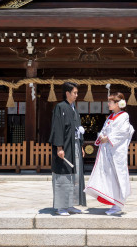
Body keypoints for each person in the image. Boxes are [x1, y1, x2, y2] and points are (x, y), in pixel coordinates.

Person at [84, 92, 134, 215]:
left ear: (118, 103)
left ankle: (118, 204)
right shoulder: (111, 116)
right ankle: (113, 201)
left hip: (117, 152)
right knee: (109, 176)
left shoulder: (124, 116)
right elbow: (103, 130)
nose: (108, 104)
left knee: (117, 176)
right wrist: (101, 136)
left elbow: (123, 132)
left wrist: (108, 138)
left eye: (110, 102)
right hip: (107, 151)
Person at [49, 81, 86, 216]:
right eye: (74, 93)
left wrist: (81, 145)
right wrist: (59, 147)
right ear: (67, 93)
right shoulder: (60, 107)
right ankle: (61, 207)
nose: (76, 95)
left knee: (74, 176)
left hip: (74, 145)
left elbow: (78, 129)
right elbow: (57, 127)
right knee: (63, 175)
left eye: (77, 92)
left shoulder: (73, 108)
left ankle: (70, 204)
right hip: (64, 146)